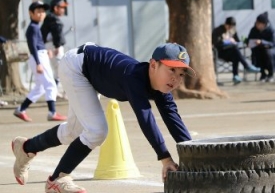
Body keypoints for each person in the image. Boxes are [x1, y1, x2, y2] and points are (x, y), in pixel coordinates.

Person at [12, 42, 194, 193]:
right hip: (76, 67)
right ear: (153, 65)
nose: (176, 79)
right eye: (171, 70)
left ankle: (26, 147)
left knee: (73, 131)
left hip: (90, 71)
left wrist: (193, 154)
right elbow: (146, 119)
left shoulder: (162, 88)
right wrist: (165, 159)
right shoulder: (134, 78)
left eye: (181, 74)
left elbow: (173, 119)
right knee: (97, 130)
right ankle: (57, 180)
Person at [13, 1, 67, 124]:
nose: (41, 14)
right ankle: (52, 112)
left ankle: (21, 109)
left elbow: (37, 44)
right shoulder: (33, 27)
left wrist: (45, 51)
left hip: (40, 55)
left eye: (43, 11)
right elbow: (32, 46)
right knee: (50, 85)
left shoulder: (35, 26)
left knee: (40, 88)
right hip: (38, 57)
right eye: (38, 11)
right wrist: (38, 63)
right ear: (31, 13)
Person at [212, 17, 261, 84]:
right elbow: (217, 44)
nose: (230, 28)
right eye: (229, 26)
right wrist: (228, 41)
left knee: (236, 54)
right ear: (225, 24)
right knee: (235, 50)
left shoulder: (233, 30)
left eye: (232, 27)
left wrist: (240, 41)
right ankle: (246, 66)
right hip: (221, 52)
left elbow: (237, 40)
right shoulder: (217, 30)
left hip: (231, 51)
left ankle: (236, 76)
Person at [41, 0, 69, 95]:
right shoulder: (53, 18)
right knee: (60, 69)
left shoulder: (50, 17)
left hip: (51, 45)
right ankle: (54, 92)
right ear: (56, 8)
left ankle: (55, 92)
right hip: (53, 46)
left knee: (58, 70)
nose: (63, 9)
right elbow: (56, 33)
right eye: (62, 7)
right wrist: (57, 46)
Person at [247, 12, 275, 83]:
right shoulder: (253, 30)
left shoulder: (271, 30)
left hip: (271, 50)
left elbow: (273, 43)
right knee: (257, 53)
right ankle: (263, 74)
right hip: (258, 50)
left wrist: (262, 42)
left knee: (266, 53)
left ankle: (271, 74)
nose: (256, 24)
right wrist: (249, 43)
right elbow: (249, 39)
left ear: (263, 24)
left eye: (258, 23)